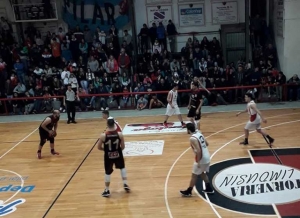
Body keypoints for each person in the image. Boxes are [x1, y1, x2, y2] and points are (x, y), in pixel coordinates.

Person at [97, 119, 130, 197]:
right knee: (122, 167)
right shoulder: (120, 134)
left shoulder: (103, 135)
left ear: (107, 125)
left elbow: (99, 147)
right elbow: (123, 147)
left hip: (108, 155)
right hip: (118, 153)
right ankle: (125, 183)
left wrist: (106, 150)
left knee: (108, 171)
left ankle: (107, 189)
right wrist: (117, 151)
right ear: (114, 125)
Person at [180, 123, 214, 197]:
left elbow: (198, 151)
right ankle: (209, 188)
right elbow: (207, 144)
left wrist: (198, 161)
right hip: (207, 156)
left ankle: (189, 191)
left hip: (201, 158)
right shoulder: (199, 133)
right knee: (202, 173)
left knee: (194, 175)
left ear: (188, 130)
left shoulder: (192, 138)